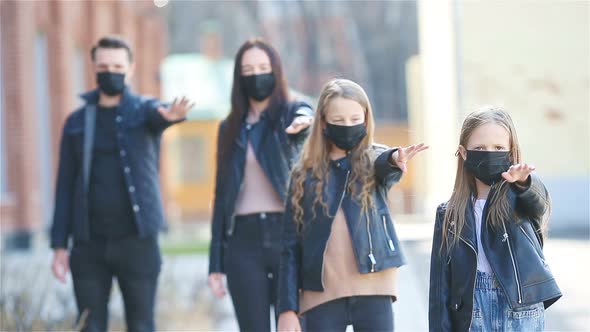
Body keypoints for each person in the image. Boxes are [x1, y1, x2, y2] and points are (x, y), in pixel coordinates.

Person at [50, 36, 193, 332]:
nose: (110, 71)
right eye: (103, 66)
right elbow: (65, 186)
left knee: (141, 326)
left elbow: (159, 113)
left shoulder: (143, 112)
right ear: (93, 68)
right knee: (90, 327)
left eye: (117, 66)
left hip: (137, 242)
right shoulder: (76, 122)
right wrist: (59, 246)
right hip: (88, 246)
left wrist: (169, 116)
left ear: (130, 69)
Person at [277, 78, 428, 332]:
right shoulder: (304, 173)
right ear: (323, 123)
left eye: (354, 119)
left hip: (374, 287)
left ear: (366, 120)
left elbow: (385, 165)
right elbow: (290, 245)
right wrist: (286, 308)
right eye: (338, 121)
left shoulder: (373, 159)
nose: (347, 126)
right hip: (321, 293)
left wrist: (394, 159)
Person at [207, 38, 314, 332]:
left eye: (263, 67)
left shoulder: (291, 114)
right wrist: (215, 261)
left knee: (293, 326)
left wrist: (306, 122)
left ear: (276, 71)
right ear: (239, 76)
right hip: (243, 243)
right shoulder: (229, 128)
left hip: (287, 236)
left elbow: (308, 113)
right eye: (249, 69)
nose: (257, 74)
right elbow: (221, 195)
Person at [428, 106, 562, 332]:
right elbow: (440, 285)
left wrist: (523, 182)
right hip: (471, 309)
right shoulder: (449, 213)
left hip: (520, 307)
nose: (490, 153)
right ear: (463, 153)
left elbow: (539, 203)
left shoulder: (519, 196)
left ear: (511, 153)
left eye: (498, 147)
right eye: (480, 148)